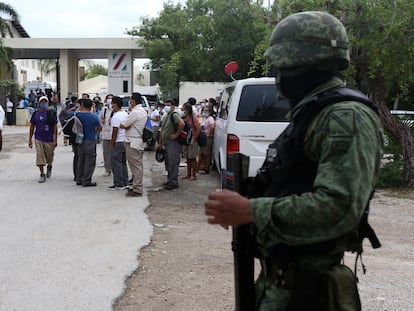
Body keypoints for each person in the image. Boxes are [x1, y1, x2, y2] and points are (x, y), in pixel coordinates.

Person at [204, 11, 383, 310]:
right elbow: (293, 181)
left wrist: (252, 210)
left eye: (282, 64)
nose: (277, 74)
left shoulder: (344, 116)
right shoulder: (312, 112)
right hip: (283, 284)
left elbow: (339, 207)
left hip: (309, 292)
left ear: (306, 62)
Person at [120, 93, 147, 197]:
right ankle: (136, 186)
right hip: (137, 141)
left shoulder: (135, 112)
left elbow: (123, 124)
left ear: (133, 101)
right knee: (137, 165)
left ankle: (137, 189)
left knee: (136, 167)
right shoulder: (142, 111)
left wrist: (126, 125)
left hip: (133, 141)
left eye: (130, 101)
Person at [28, 96, 58, 183]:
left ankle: (49, 166)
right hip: (38, 138)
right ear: (39, 103)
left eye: (45, 102)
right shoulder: (35, 114)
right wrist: (30, 139)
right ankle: (42, 174)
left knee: (49, 156)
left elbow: (55, 127)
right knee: (40, 156)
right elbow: (32, 126)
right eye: (42, 102)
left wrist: (55, 139)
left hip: (49, 138)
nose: (43, 103)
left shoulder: (51, 113)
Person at [75, 98, 102, 187]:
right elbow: (99, 128)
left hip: (79, 140)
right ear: (91, 106)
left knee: (80, 159)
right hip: (90, 140)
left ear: (82, 105)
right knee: (90, 160)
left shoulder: (77, 115)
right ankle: (86, 180)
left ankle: (79, 178)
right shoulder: (94, 117)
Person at [160, 98, 185, 190]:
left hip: (172, 143)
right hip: (166, 142)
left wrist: (176, 134)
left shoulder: (174, 115)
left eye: (169, 105)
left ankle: (173, 182)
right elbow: (162, 129)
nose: (166, 106)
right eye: (165, 105)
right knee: (168, 163)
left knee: (173, 162)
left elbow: (181, 124)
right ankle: (170, 180)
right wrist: (160, 142)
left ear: (173, 106)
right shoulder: (166, 116)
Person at [109, 96, 129, 190]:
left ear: (115, 105)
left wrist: (112, 143)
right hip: (125, 140)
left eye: (112, 103)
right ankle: (125, 182)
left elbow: (115, 131)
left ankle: (119, 183)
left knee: (116, 163)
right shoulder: (125, 114)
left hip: (118, 141)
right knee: (123, 163)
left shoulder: (116, 116)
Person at [181, 102, 201, 181]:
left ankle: (193, 175)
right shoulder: (184, 118)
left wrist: (194, 138)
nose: (182, 110)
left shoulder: (193, 118)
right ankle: (188, 174)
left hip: (192, 140)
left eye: (183, 108)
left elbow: (198, 128)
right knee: (188, 158)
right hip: (186, 140)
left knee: (192, 158)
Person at [99, 94, 114, 177]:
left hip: (114, 135)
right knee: (106, 153)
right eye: (108, 98)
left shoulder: (116, 111)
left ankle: (114, 168)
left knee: (114, 153)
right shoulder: (104, 109)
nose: (110, 100)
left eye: (111, 99)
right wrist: (102, 120)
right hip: (105, 134)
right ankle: (107, 170)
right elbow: (100, 119)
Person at [197, 106, 215, 174]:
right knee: (201, 153)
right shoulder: (202, 118)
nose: (205, 112)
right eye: (204, 110)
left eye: (206, 111)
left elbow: (212, 127)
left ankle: (206, 168)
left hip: (207, 137)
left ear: (210, 112)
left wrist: (210, 134)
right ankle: (199, 167)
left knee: (207, 153)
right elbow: (199, 125)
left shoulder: (210, 118)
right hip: (202, 137)